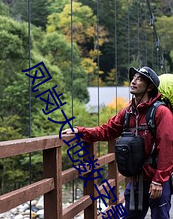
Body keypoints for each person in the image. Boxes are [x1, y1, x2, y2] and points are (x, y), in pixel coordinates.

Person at [62, 66, 173, 219]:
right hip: (136, 179)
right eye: (133, 78)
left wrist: (159, 181)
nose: (133, 81)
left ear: (150, 87)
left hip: (156, 180)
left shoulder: (161, 112)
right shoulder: (128, 112)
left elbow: (167, 147)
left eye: (139, 79)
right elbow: (107, 130)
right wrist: (81, 131)